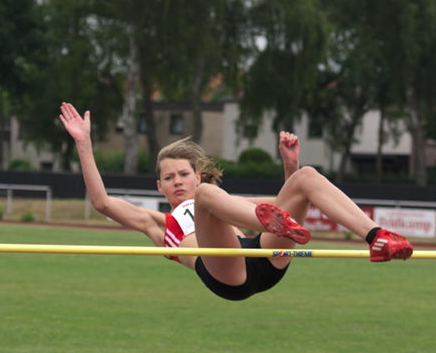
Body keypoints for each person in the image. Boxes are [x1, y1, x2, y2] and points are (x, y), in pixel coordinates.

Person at [59, 102, 413, 301]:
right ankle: (273, 224)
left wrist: (290, 164)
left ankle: (377, 237)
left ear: (196, 174)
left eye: (184, 174)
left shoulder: (227, 201)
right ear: (159, 187)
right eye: (169, 178)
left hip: (261, 252)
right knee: (211, 198)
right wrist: (83, 143)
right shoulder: (156, 223)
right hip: (227, 273)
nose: (178, 182)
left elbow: (287, 198)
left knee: (306, 178)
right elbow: (103, 202)